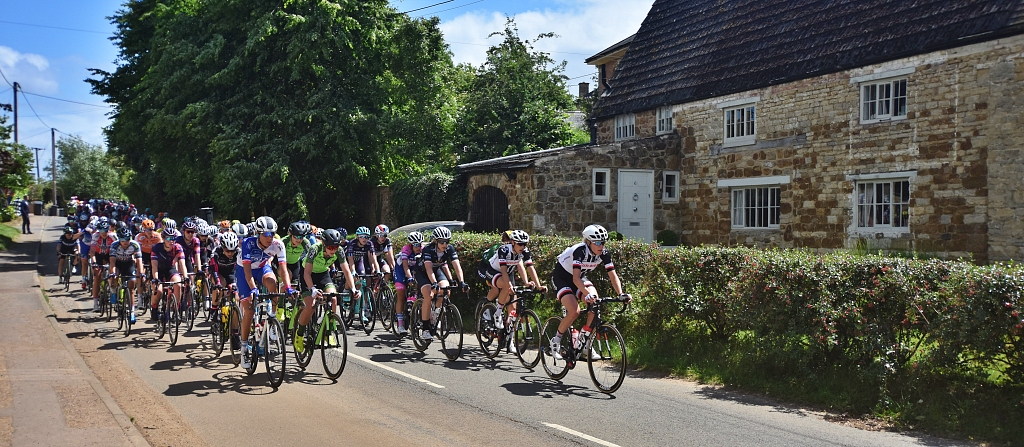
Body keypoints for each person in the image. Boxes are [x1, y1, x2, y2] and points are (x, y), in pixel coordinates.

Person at [548, 224, 631, 360]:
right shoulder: (580, 251)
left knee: (595, 302)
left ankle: (584, 340)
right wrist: (587, 294)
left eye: (603, 242)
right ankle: (556, 340)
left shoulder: (603, 253)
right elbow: (575, 278)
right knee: (575, 311)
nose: (601, 246)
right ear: (588, 242)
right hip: (562, 278)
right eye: (597, 242)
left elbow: (612, 275)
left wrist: (621, 294)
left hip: (578, 279)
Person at [236, 216, 292, 370]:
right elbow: (248, 274)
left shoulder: (278, 245)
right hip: (244, 271)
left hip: (262, 268)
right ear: (258, 233)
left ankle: (272, 317)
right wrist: (253, 289)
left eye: (272, 234)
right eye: (266, 234)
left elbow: (283, 269)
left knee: (273, 283)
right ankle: (243, 349)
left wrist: (288, 287)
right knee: (248, 310)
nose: (270, 237)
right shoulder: (248, 243)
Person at [293, 229, 357, 353]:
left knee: (333, 298)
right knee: (311, 306)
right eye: (331, 247)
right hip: (307, 275)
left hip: (323, 274)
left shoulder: (338, 251)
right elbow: (306, 273)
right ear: (324, 244)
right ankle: (299, 334)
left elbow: (347, 271)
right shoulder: (314, 249)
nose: (333, 250)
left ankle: (329, 331)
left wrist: (353, 289)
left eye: (336, 247)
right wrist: (312, 289)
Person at [478, 229, 546, 329]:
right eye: (520, 244)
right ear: (513, 242)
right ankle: (498, 312)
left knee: (513, 307)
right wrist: (509, 285)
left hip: (507, 273)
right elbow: (503, 270)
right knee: (506, 286)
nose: (522, 247)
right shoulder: (504, 250)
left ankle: (509, 339)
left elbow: (529, 267)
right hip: (494, 271)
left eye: (525, 244)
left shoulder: (524, 251)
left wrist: (536, 285)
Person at [415, 227, 469, 341]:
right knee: (428, 294)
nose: (445, 244)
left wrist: (462, 282)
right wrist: (434, 283)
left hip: (437, 270)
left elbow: (456, 266)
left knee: (446, 290)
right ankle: (425, 328)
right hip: (423, 272)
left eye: (447, 241)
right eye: (441, 242)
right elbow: (429, 269)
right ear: (435, 241)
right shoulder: (428, 249)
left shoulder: (449, 249)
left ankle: (435, 315)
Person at [149, 228, 186, 322]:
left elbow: (182, 264)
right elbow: (154, 266)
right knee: (159, 290)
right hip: (158, 270)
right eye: (169, 239)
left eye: (173, 238)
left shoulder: (178, 247)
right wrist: (156, 279)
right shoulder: (156, 248)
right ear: (163, 239)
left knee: (178, 284)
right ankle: (154, 307)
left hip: (170, 269)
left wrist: (185, 277)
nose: (171, 241)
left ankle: (176, 309)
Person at [108, 227, 144, 323]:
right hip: (118, 264)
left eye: (127, 239)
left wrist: (141, 274)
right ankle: (113, 291)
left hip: (129, 265)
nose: (125, 242)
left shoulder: (135, 245)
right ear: (119, 239)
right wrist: (113, 273)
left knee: (131, 286)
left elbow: (139, 261)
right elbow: (112, 263)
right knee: (113, 277)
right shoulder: (114, 245)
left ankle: (132, 312)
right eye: (123, 240)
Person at [393, 231, 424, 335]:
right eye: (416, 245)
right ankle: (400, 324)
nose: (418, 247)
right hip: (401, 270)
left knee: (418, 287)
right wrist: (409, 278)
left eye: (420, 244)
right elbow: (405, 267)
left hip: (414, 269)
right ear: (411, 244)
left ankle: (413, 309)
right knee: (401, 295)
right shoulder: (406, 250)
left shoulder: (422, 250)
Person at [89, 222, 118, 312]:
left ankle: (113, 291)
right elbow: (92, 252)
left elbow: (119, 248)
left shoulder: (113, 235)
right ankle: (95, 303)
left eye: (105, 231)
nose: (103, 233)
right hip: (98, 255)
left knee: (113, 273)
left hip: (110, 255)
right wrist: (94, 263)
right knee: (97, 278)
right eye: (101, 231)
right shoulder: (95, 236)